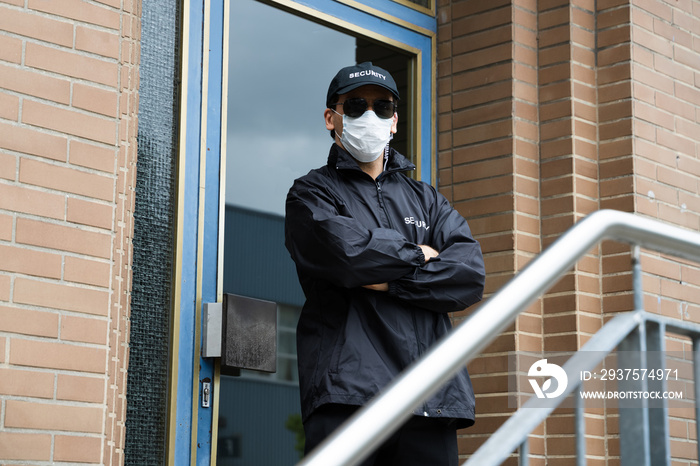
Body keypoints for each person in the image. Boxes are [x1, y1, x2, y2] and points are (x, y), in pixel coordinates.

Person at [284, 62, 485, 465]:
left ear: (394, 122)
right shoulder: (311, 194)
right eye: (355, 106)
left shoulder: (428, 200)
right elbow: (344, 255)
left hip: (430, 398)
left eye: (382, 107)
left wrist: (385, 279)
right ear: (331, 117)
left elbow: (468, 276)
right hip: (348, 396)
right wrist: (418, 254)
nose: (369, 116)